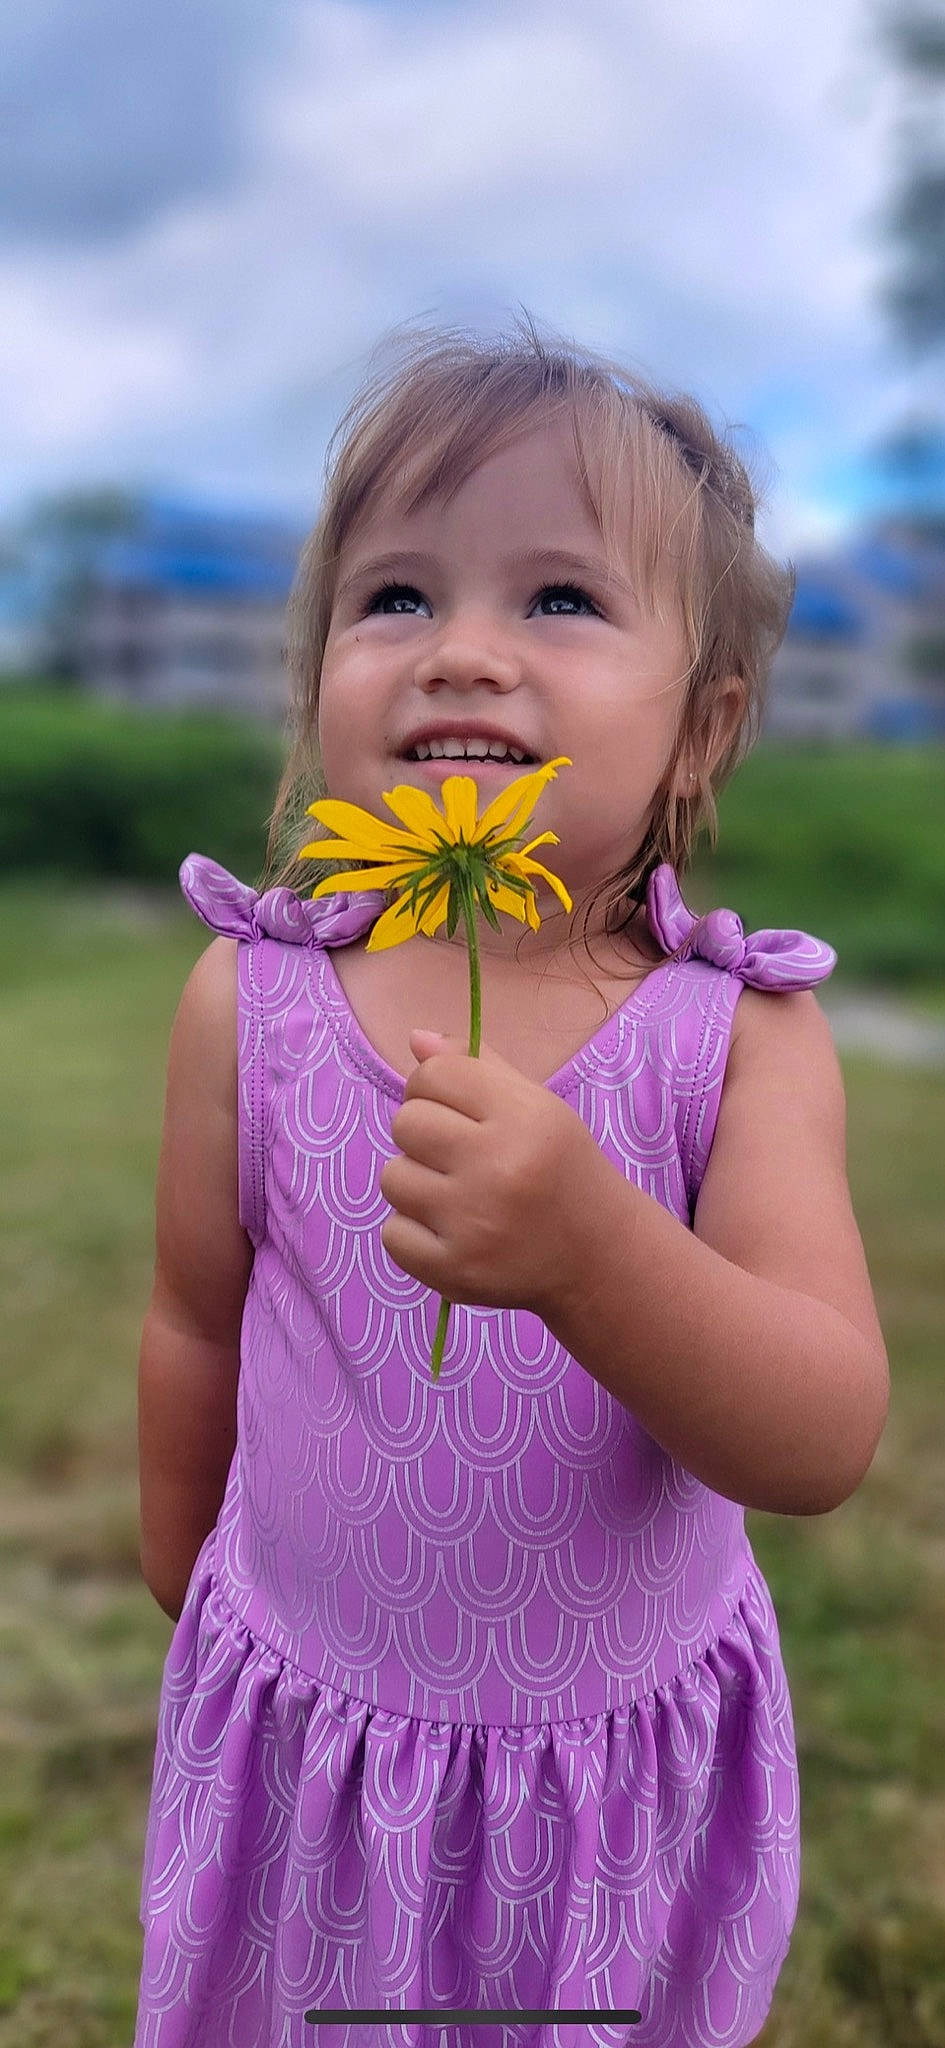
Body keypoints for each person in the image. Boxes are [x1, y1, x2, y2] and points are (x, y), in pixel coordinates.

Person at [134, 313, 890, 2048]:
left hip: (596, 1783)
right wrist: (200, 1601)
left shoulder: (734, 1041)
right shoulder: (246, 1003)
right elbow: (195, 1316)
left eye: (558, 599)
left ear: (702, 726)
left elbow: (819, 1433)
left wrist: (590, 1252)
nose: (461, 651)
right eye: (394, 597)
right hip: (305, 1738)